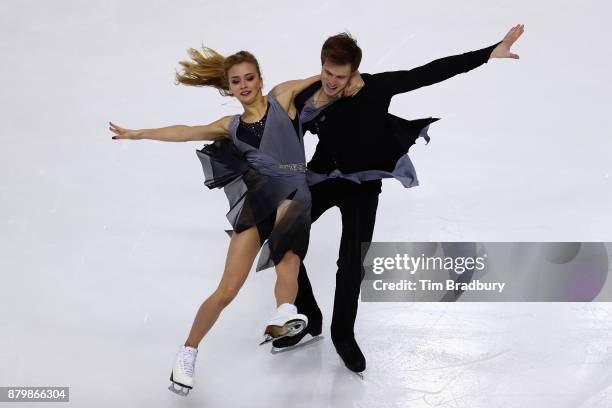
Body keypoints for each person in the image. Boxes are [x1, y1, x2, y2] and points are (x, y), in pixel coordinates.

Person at [271, 25, 525, 374]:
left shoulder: (378, 88)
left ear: (354, 72)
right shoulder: (312, 95)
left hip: (364, 184)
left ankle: (342, 334)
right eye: (327, 72)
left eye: (339, 75)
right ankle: (309, 318)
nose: (331, 80)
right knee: (279, 235)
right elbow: (273, 115)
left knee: (350, 263)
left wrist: (487, 53)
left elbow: (431, 71)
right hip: (323, 178)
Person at [109, 46, 362, 395]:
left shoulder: (283, 98)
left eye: (249, 78)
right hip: (258, 204)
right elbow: (185, 131)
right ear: (229, 88)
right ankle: (188, 351)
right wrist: (138, 133)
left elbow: (328, 79)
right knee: (227, 290)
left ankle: (283, 313)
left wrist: (355, 78)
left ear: (261, 79)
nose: (244, 85)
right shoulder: (229, 127)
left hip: (294, 198)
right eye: (236, 81)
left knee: (288, 265)